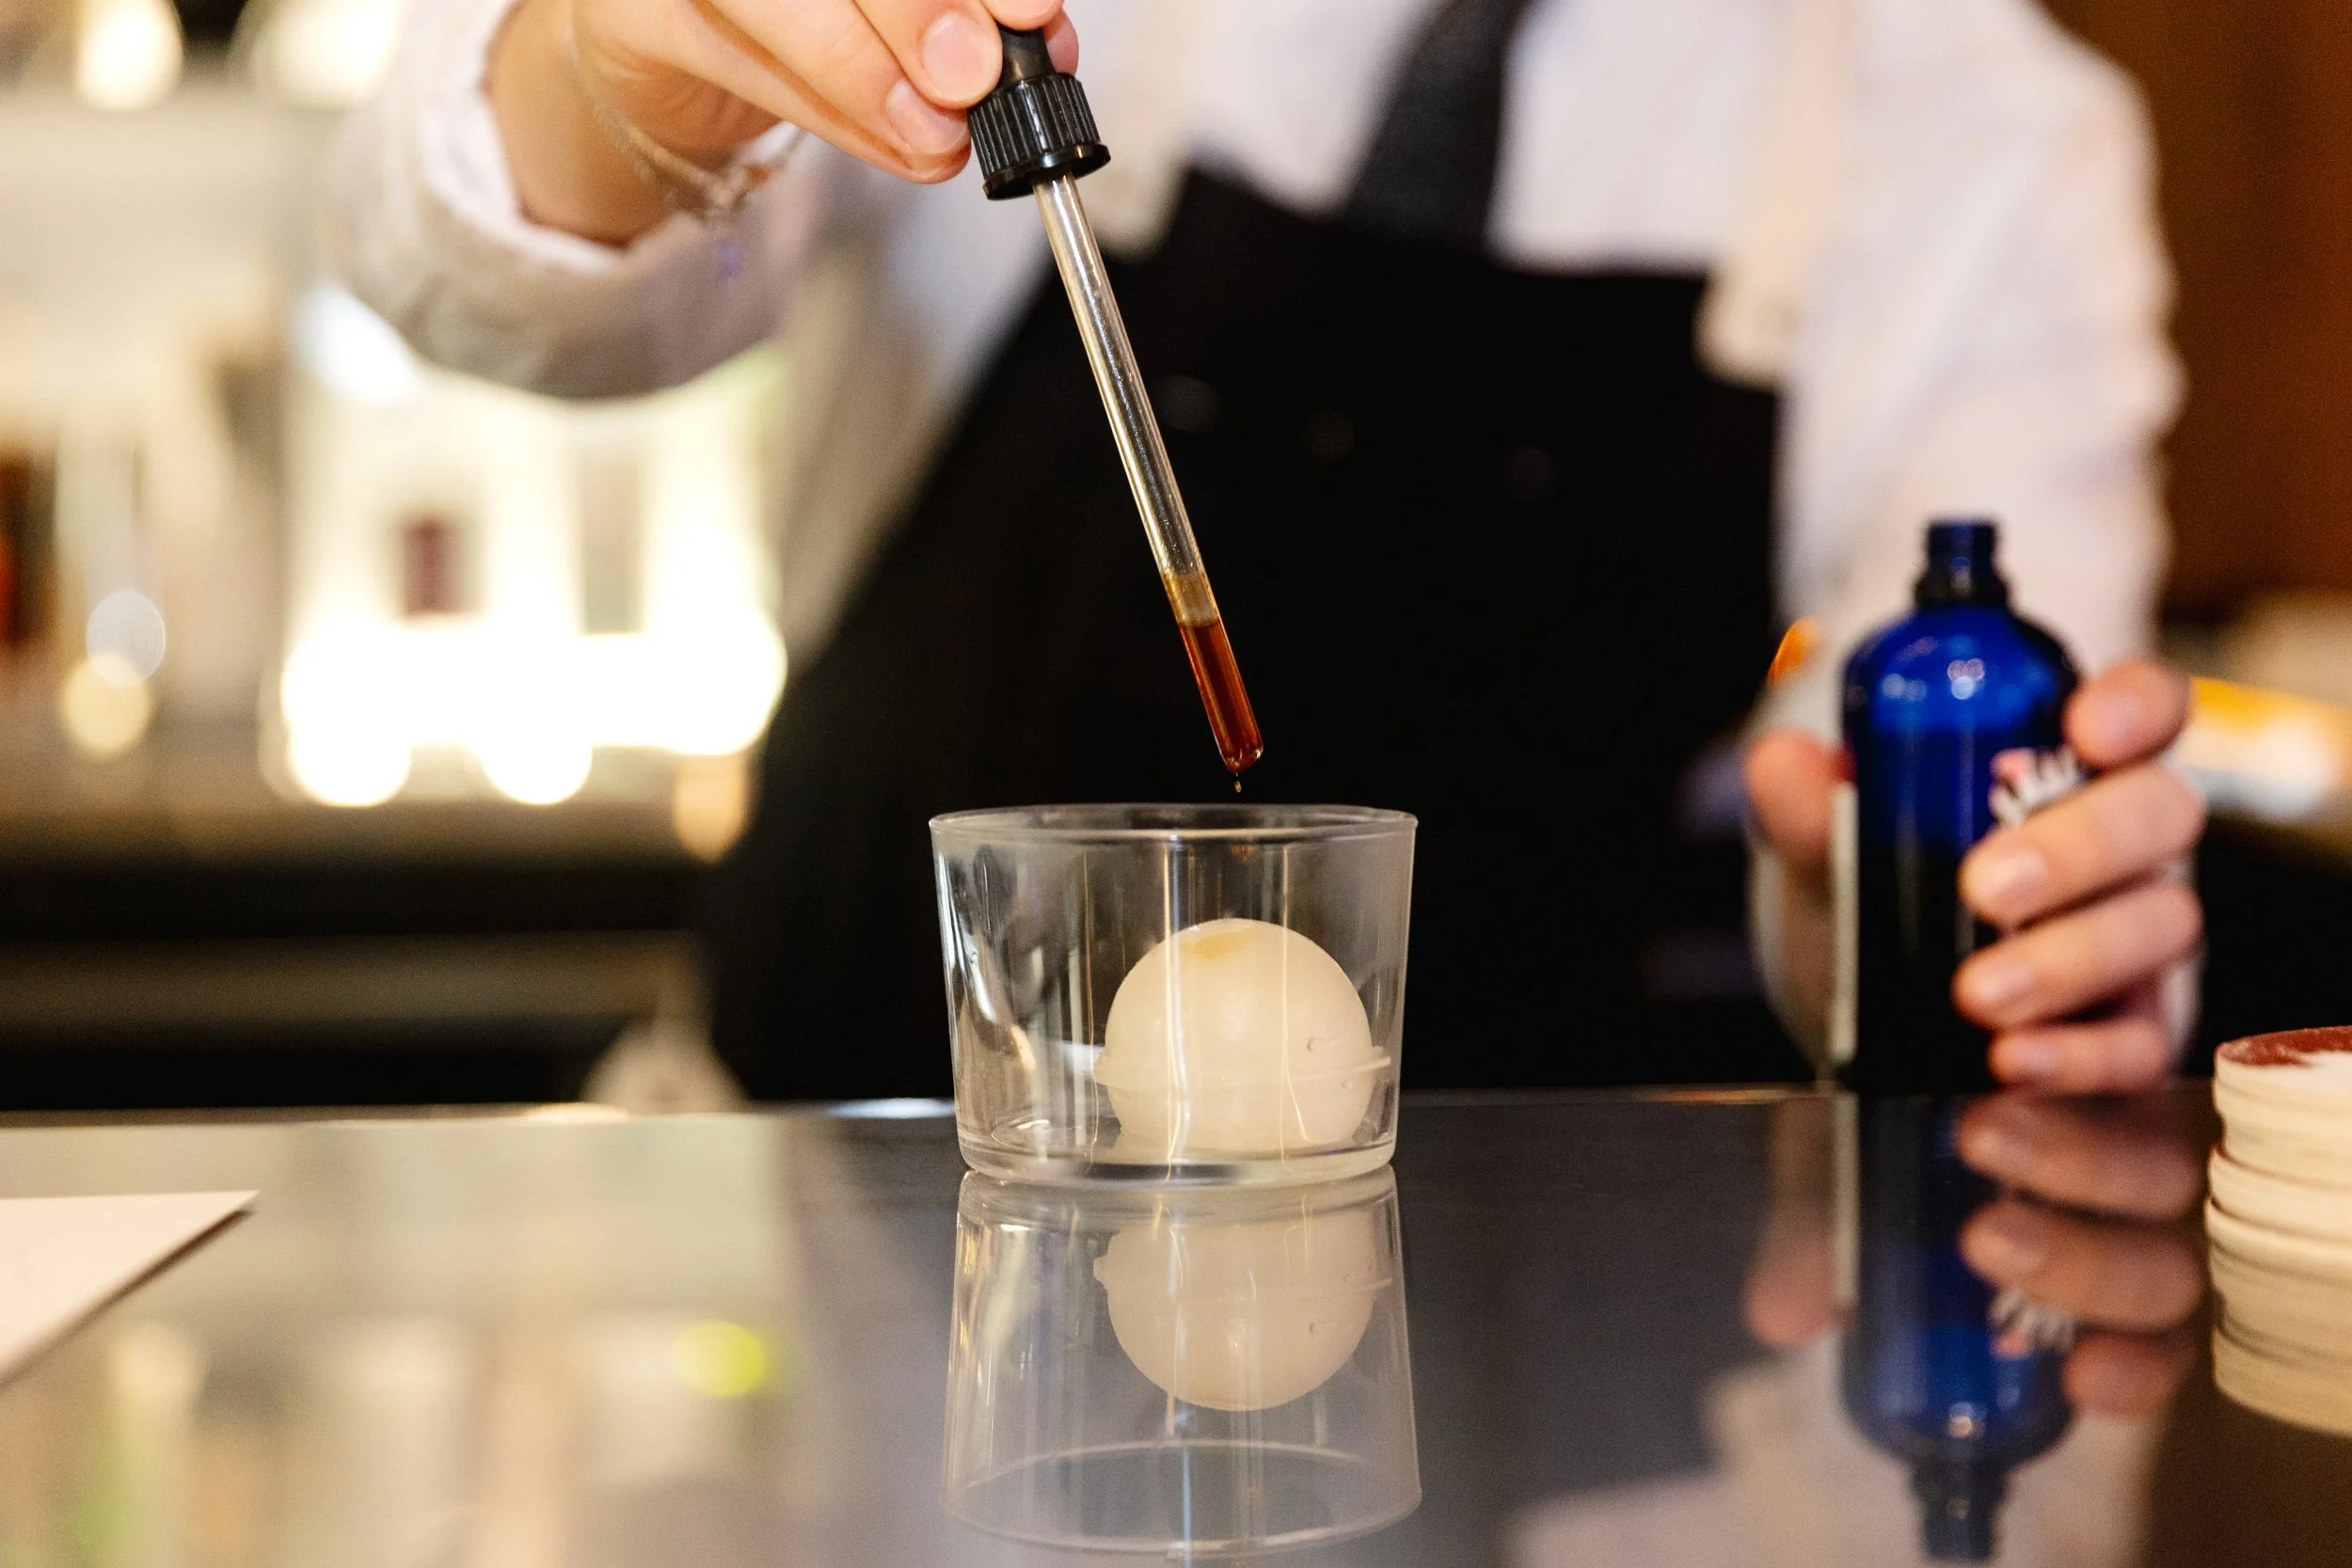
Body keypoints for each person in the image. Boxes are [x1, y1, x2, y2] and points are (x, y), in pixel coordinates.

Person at [328, 0, 2204, 1100]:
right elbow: (486, 293)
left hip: (1504, 1369)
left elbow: (1954, 836)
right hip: (836, 1257)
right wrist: (609, 84)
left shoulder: (1977, 132)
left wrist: (1920, 909)